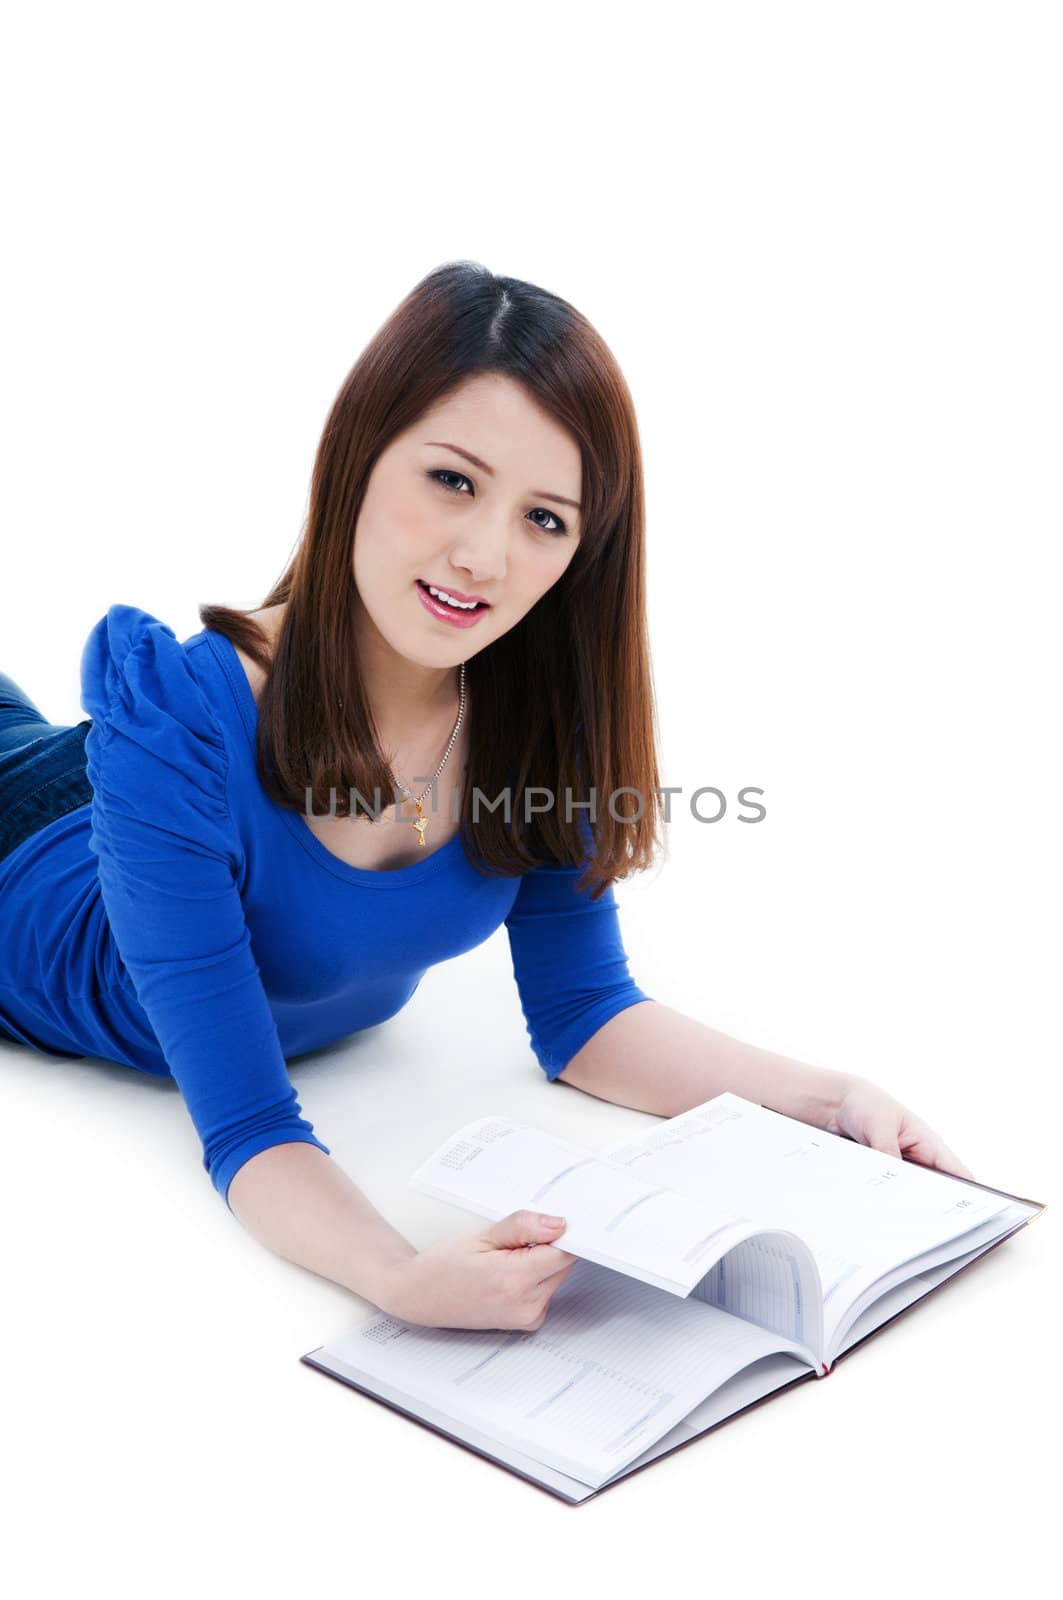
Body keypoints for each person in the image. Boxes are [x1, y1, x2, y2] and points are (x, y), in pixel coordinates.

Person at [0, 260, 975, 1334]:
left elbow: (585, 1014)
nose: (483, 557)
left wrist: (830, 1101)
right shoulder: (181, 717)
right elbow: (245, 1123)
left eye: (545, 519)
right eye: (453, 480)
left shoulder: (533, 719)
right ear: (357, 454)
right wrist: (399, 1277)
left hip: (110, 797)